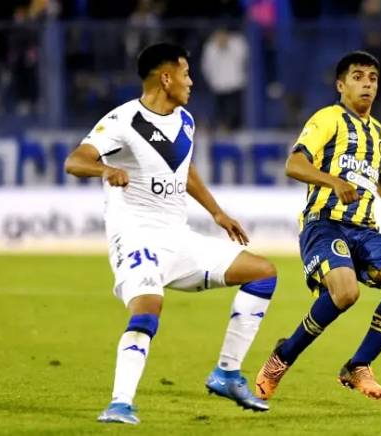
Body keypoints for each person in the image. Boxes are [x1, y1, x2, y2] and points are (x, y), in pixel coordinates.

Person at [64, 43, 275, 424]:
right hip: (136, 238)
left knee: (262, 273)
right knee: (148, 309)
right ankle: (120, 403)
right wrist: (105, 170)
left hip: (179, 238)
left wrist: (216, 212)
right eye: (186, 73)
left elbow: (184, 169)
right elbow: (75, 160)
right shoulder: (122, 121)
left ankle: (227, 373)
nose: (191, 82)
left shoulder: (185, 120)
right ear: (166, 78)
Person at [254, 51, 381, 401]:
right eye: (357, 77)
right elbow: (293, 164)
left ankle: (358, 365)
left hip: (364, 230)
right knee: (346, 293)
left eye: (373, 78)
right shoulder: (328, 120)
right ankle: (283, 357)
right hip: (324, 225)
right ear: (341, 85)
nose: (367, 84)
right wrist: (332, 181)